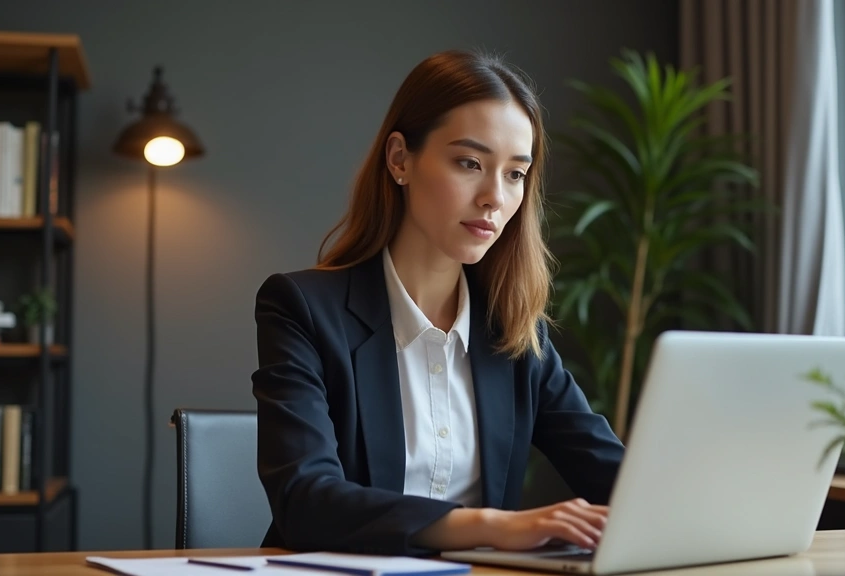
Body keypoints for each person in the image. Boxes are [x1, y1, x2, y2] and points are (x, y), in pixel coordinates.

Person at [251, 49, 625, 557]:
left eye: (516, 174)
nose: (495, 196)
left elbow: (617, 479)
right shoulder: (301, 308)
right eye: (470, 163)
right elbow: (306, 502)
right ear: (400, 159)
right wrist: (491, 527)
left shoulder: (514, 331)